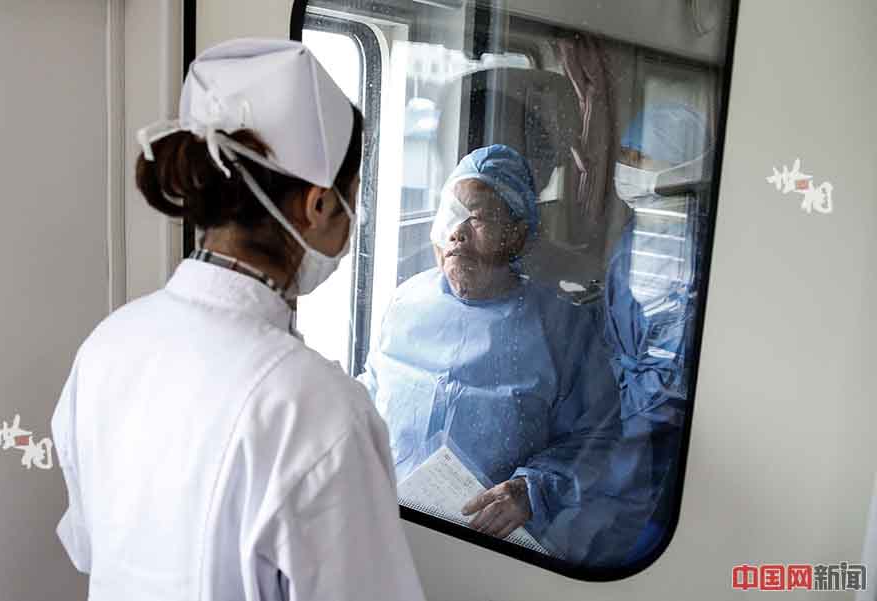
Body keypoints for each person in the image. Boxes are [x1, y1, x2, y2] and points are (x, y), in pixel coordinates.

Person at [51, 39, 425, 601]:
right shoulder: (320, 413)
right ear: (318, 205)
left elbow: (89, 545)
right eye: (352, 194)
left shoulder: (110, 343)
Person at [360, 144, 625, 562]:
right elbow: (371, 392)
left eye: (479, 217)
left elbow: (601, 436)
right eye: (452, 215)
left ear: (517, 233)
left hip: (489, 545)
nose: (457, 232)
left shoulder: (561, 329)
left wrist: (531, 490)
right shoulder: (407, 302)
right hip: (388, 522)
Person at [603, 103, 711, 560]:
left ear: (677, 164)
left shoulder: (698, 249)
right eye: (623, 155)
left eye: (638, 156)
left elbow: (680, 372)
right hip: (623, 424)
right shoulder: (637, 232)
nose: (625, 168)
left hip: (665, 443)